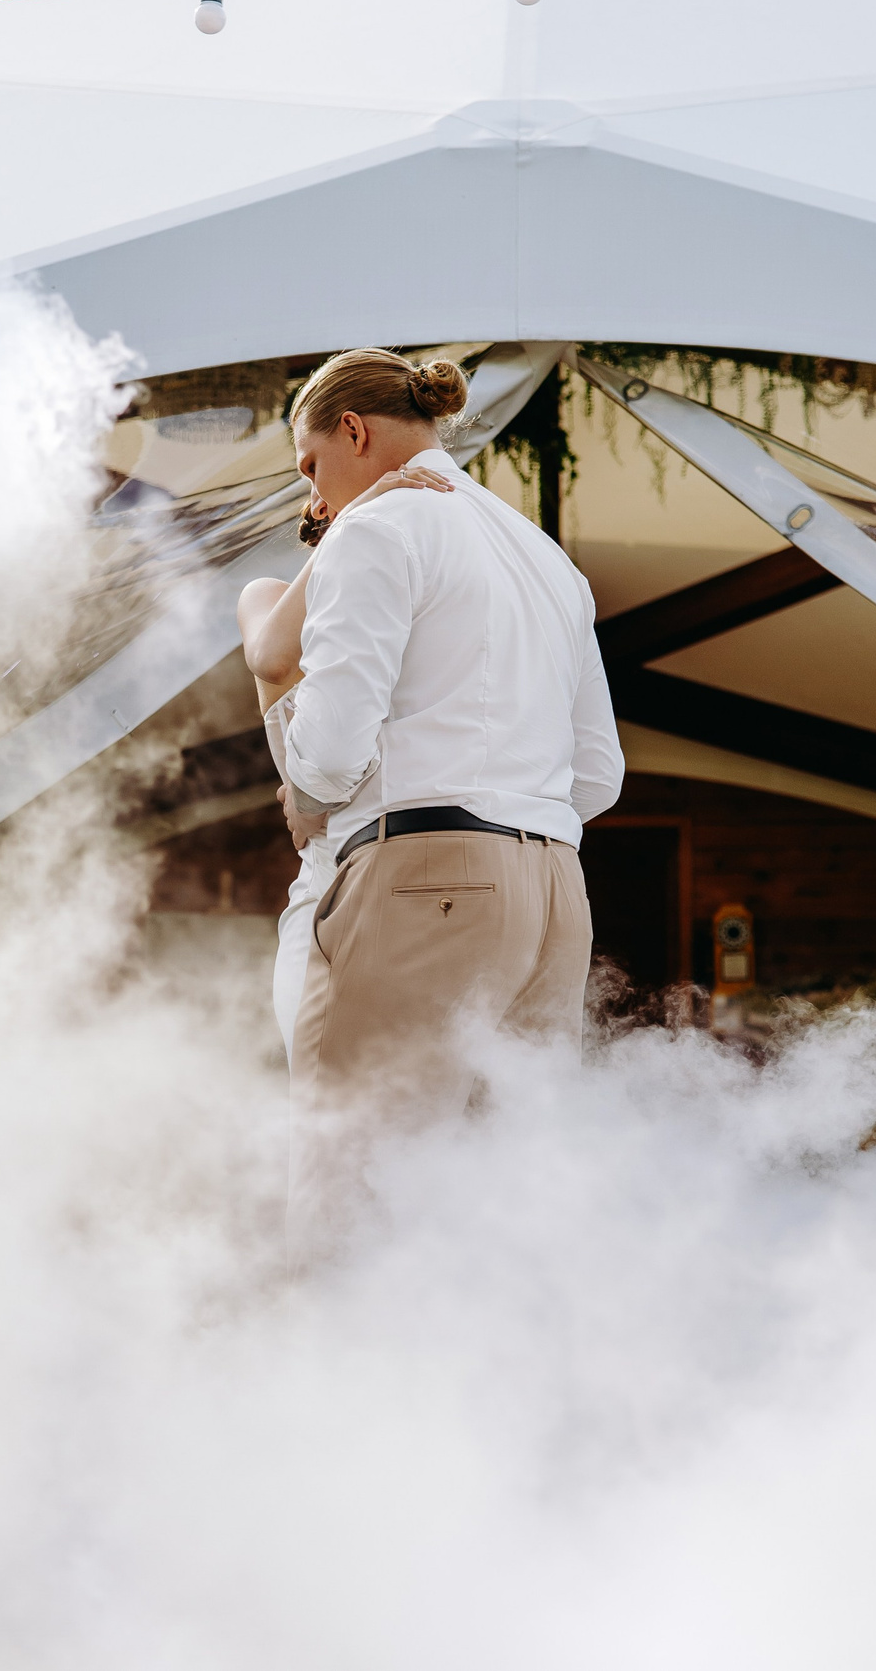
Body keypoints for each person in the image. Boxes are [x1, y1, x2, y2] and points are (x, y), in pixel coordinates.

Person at [274, 348, 624, 1216]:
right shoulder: (549, 560)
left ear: (353, 430)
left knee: (349, 1192)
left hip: (421, 877)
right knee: (500, 1208)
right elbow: (600, 775)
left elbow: (327, 752)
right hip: (554, 892)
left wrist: (304, 794)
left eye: (311, 465)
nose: (314, 494)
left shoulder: (376, 528)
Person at [237, 462, 456, 1062]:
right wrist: (357, 520)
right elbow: (271, 658)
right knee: (331, 1101)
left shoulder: (379, 625)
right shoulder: (267, 597)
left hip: (396, 864)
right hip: (328, 871)